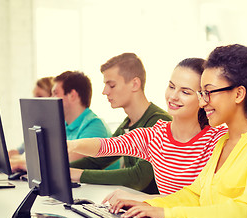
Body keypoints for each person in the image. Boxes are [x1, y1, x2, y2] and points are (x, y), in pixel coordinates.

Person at [106, 44, 247, 218]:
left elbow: (246, 210)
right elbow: (194, 194)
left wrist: (167, 214)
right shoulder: (223, 142)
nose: (202, 102)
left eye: (209, 92)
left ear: (238, 94)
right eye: (201, 93)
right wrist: (147, 206)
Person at [68, 57, 227, 196]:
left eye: (185, 92)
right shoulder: (155, 135)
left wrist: (145, 201)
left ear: (203, 98)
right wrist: (72, 145)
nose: (173, 96)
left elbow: (207, 200)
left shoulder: (218, 139)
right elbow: (105, 146)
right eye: (171, 87)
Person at [69, 53, 172, 194]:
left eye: (111, 85)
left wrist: (78, 175)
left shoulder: (160, 122)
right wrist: (60, 171)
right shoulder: (127, 124)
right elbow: (97, 161)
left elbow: (138, 177)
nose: (105, 92)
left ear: (135, 84)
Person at [8, 76, 54, 158]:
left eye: (40, 97)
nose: (34, 102)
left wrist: (17, 160)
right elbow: (21, 150)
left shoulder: (57, 126)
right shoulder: (38, 122)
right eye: (34, 97)